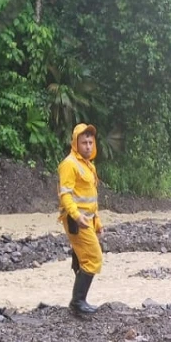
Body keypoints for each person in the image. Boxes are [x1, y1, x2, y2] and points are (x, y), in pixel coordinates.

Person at [58, 123, 103, 316]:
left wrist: (97, 221)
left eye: (91, 142)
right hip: (77, 220)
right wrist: (76, 216)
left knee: (83, 258)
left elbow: (91, 196)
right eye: (84, 142)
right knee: (94, 258)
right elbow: (65, 195)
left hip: (89, 219)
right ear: (75, 143)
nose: (88, 146)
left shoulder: (88, 166)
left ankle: (79, 301)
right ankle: (77, 301)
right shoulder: (69, 164)